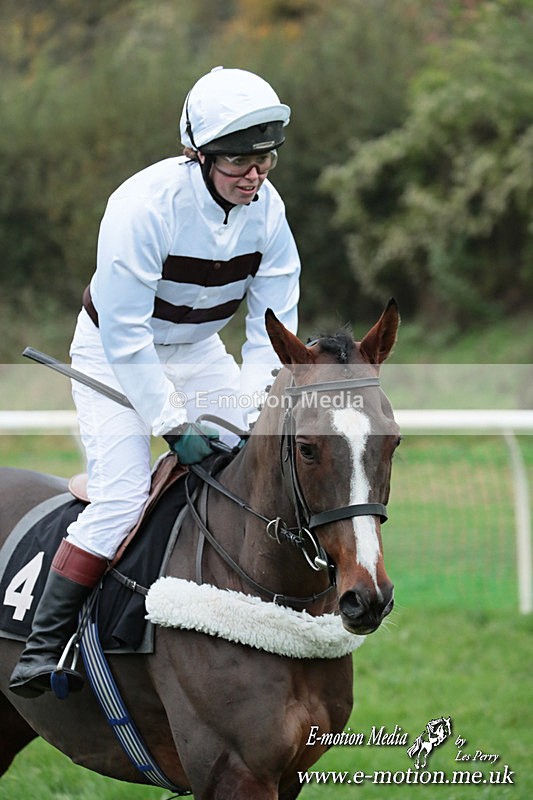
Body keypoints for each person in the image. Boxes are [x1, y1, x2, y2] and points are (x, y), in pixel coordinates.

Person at [10, 66, 300, 698]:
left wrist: (251, 411)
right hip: (114, 352)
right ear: (196, 153)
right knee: (120, 495)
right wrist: (172, 424)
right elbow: (125, 333)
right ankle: (43, 643)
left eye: (265, 158)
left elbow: (270, 330)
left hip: (199, 351)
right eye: (237, 160)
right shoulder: (141, 205)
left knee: (254, 464)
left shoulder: (269, 213)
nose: (254, 173)